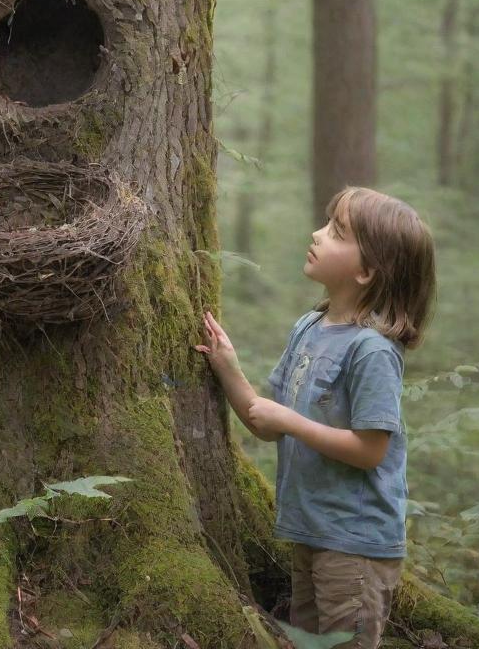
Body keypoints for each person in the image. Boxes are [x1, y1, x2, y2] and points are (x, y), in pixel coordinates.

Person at [195, 186, 435, 649]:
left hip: (355, 545)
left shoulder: (373, 351)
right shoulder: (309, 326)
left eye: (337, 232)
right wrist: (228, 370)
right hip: (308, 531)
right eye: (327, 223)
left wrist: (290, 420)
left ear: (366, 271)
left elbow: (370, 451)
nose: (317, 233)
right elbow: (264, 422)